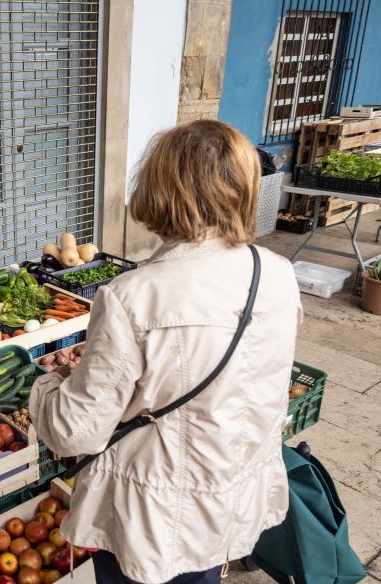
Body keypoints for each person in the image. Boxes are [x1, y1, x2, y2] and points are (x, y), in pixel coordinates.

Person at [29, 120, 301, 584]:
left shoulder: (132, 296)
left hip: (156, 516)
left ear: (160, 190)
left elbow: (76, 432)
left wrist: (45, 386)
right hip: (234, 497)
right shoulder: (275, 273)